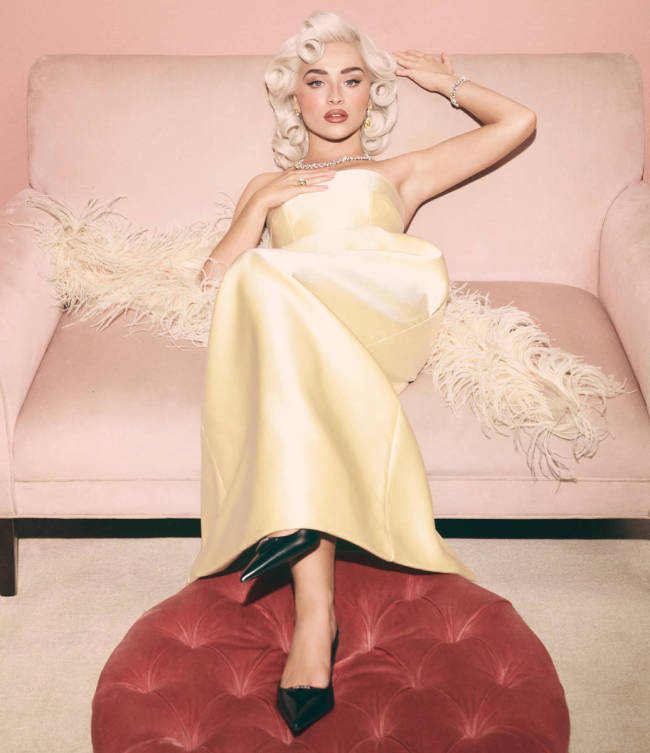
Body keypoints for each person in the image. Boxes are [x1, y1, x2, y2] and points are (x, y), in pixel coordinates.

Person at [189, 10, 537, 735]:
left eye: (352, 80)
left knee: (265, 277)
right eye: (317, 81)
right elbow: (214, 278)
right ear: (294, 98)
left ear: (372, 94)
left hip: (386, 302)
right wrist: (258, 206)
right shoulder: (268, 182)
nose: (336, 96)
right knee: (269, 308)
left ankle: (301, 570)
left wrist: (445, 83)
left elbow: (518, 122)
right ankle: (314, 614)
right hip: (308, 327)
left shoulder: (398, 172)